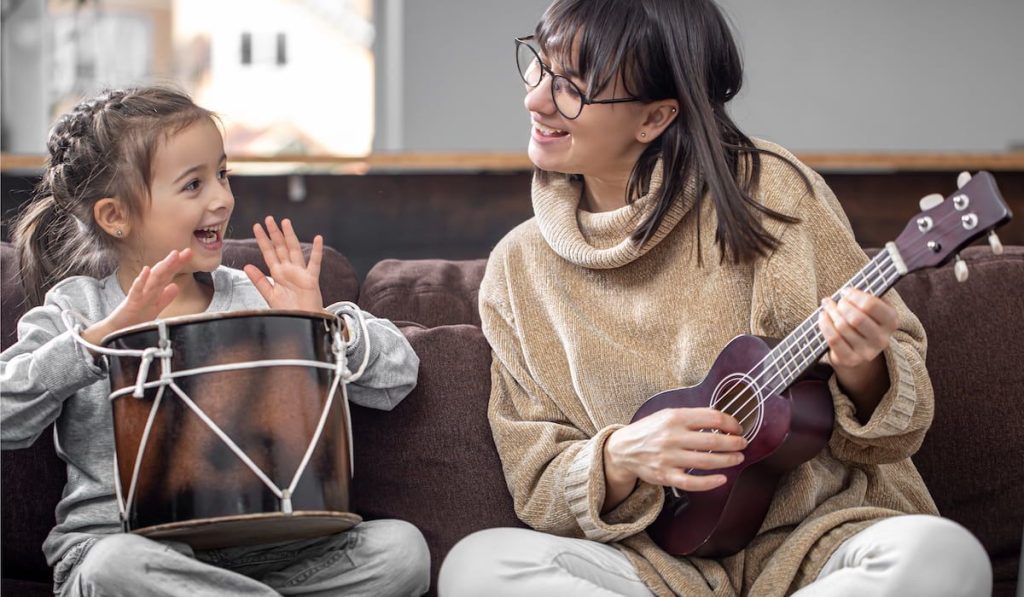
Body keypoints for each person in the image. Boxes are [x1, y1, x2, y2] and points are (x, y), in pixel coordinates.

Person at [438, 1, 991, 595]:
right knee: (478, 566)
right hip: (654, 569)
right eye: (539, 67)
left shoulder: (770, 192)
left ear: (654, 118)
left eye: (571, 88)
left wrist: (864, 369)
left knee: (943, 555)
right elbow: (536, 482)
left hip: (818, 543)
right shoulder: (518, 269)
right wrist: (620, 457)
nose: (536, 100)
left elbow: (899, 427)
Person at [1, 86, 429, 596]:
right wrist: (94, 344)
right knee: (109, 569)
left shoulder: (256, 295)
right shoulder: (78, 311)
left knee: (401, 551)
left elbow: (399, 378)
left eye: (222, 175)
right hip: (136, 555)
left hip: (274, 552)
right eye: (193, 185)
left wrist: (317, 323)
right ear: (115, 216)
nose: (223, 198)